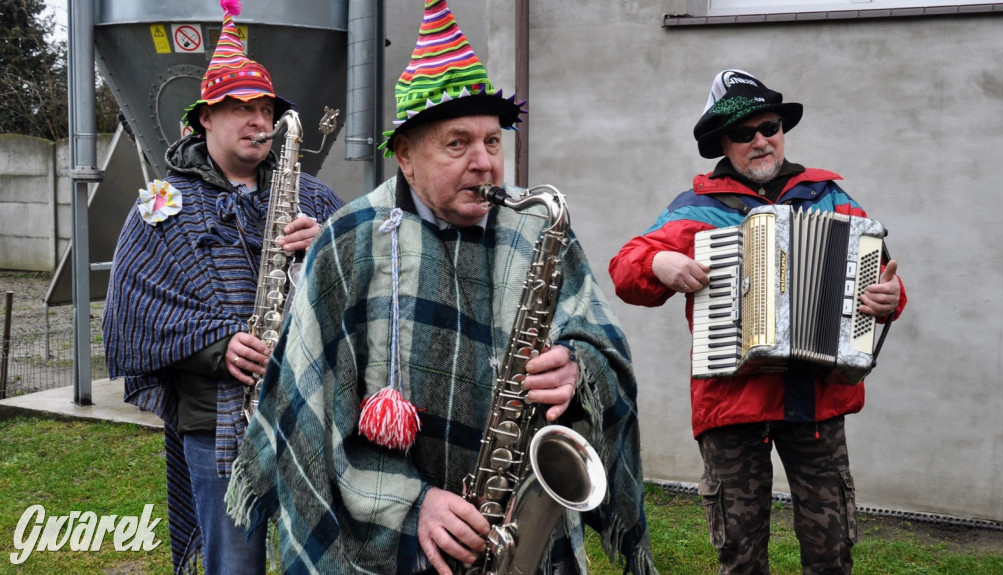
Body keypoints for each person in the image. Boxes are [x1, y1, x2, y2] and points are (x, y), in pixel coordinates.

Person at [224, 1, 657, 573]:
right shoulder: (347, 240)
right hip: (390, 540)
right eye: (458, 144)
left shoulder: (538, 229)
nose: (485, 164)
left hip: (523, 535)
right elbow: (312, 413)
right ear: (405, 155)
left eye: (493, 142)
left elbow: (604, 346)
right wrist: (416, 503)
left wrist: (579, 367)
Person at [608, 69, 908, 575]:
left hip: (814, 401)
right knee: (741, 554)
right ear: (725, 143)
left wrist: (890, 297)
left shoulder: (831, 198)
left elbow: (882, 280)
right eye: (744, 133)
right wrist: (659, 264)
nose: (760, 140)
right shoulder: (695, 209)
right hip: (733, 403)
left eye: (768, 127)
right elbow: (625, 268)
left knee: (832, 548)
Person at [101, 1, 345, 573]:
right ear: (205, 118)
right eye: (240, 108)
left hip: (307, 418)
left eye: (265, 108)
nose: (258, 120)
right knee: (232, 563)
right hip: (215, 424)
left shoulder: (313, 198)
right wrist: (218, 347)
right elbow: (134, 317)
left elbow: (365, 295)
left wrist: (328, 250)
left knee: (317, 560)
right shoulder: (161, 207)